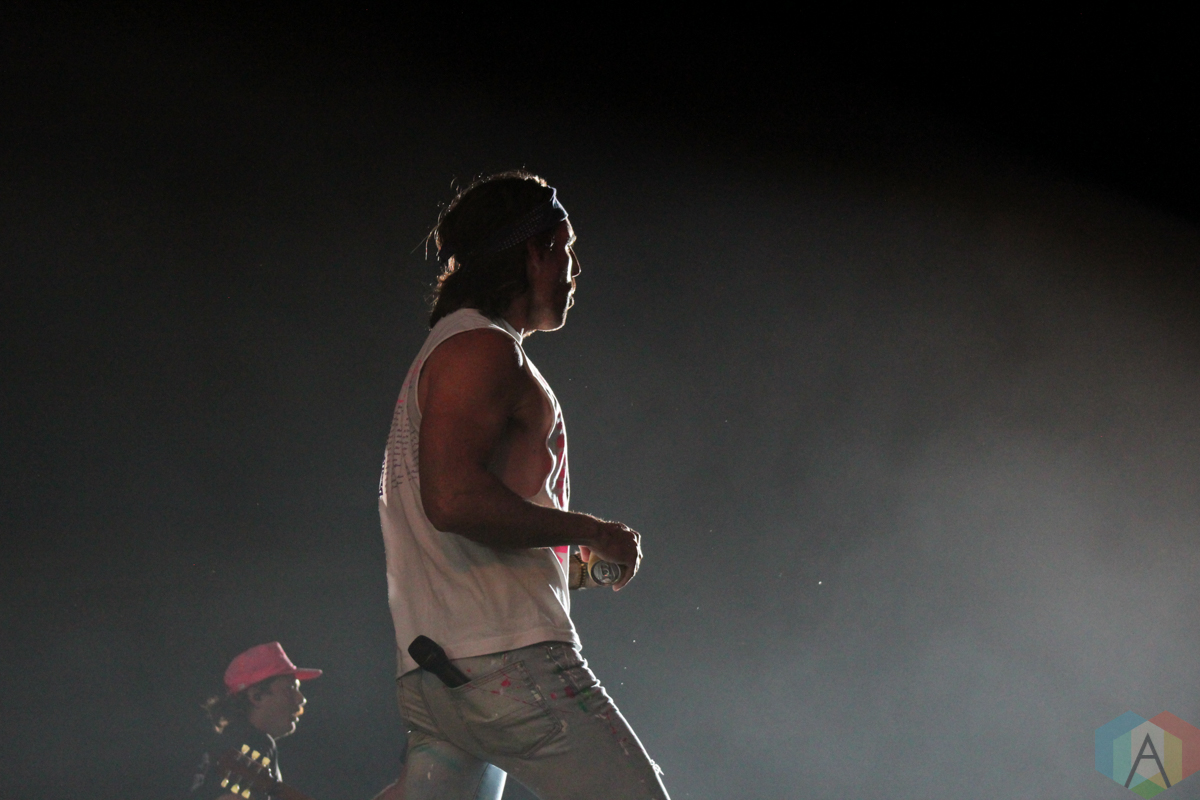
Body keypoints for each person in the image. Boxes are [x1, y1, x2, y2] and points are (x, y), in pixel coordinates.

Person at [376, 171, 670, 799]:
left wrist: (571, 565)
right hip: (508, 667)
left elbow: (469, 522)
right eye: (566, 249)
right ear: (533, 253)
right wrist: (593, 531)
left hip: (440, 679)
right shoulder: (480, 350)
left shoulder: (449, 352)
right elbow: (454, 501)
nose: (575, 270)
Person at [186, 642, 321, 799]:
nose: (301, 699)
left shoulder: (224, 744)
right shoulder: (256, 741)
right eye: (290, 688)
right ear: (256, 696)